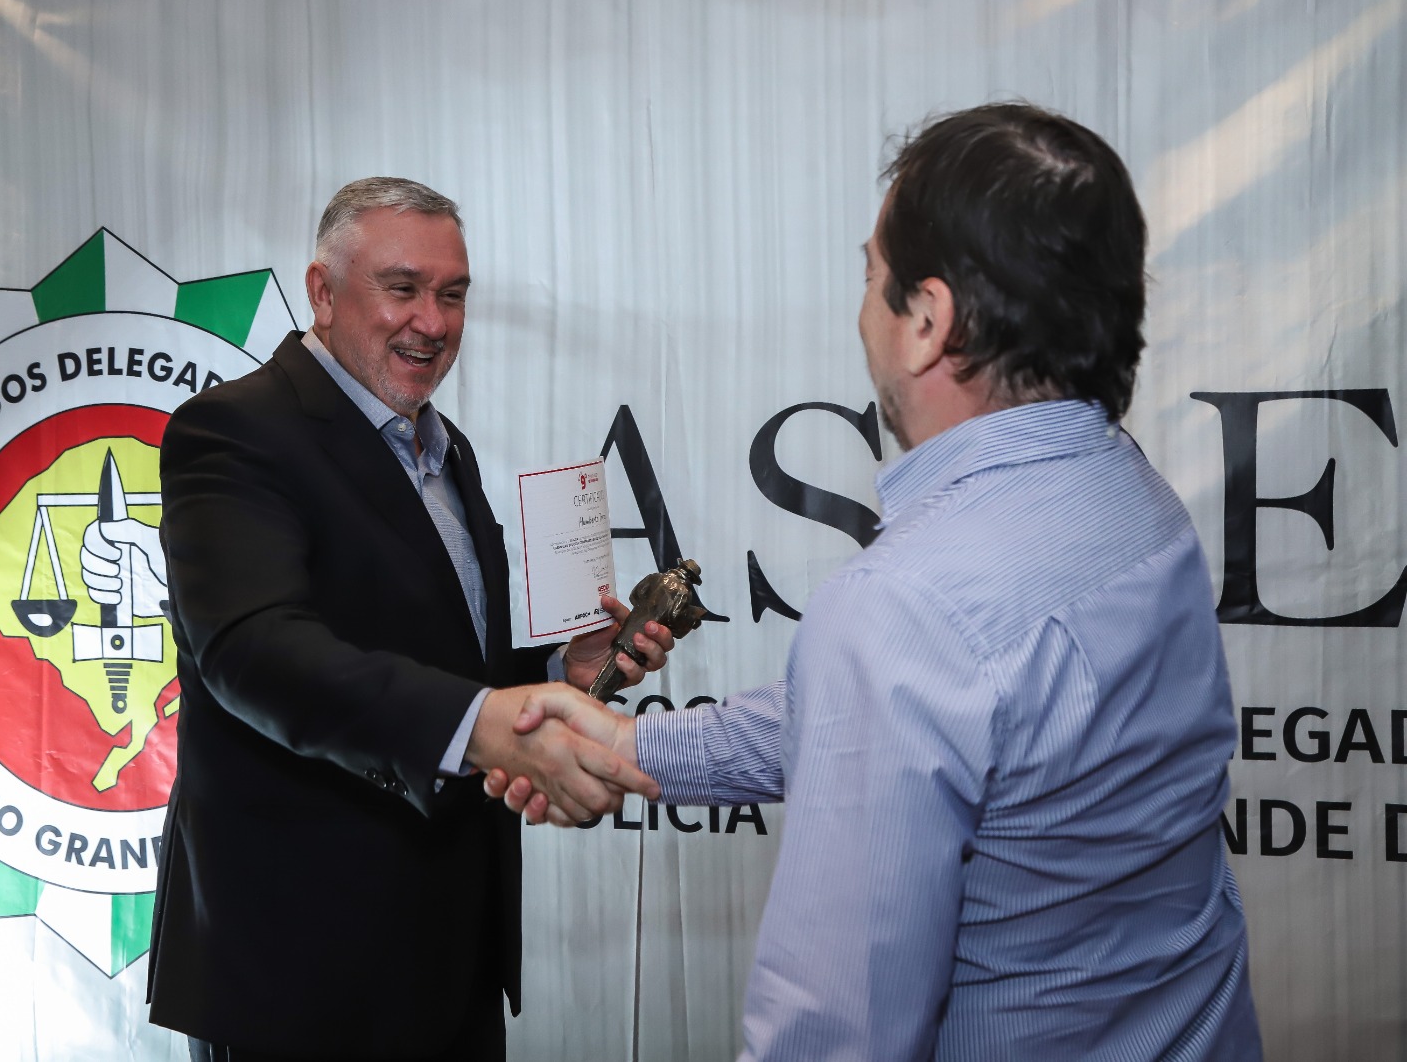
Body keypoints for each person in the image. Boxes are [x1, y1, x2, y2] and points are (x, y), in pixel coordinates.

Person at [488, 104, 1262, 1060]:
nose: (862, 311)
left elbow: (833, 1036)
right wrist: (630, 744)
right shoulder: (1133, 494)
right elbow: (904, 715)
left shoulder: (907, 605)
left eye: (870, 275)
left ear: (927, 322)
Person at [145, 177, 671, 1062]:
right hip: (300, 973)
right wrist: (486, 723)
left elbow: (443, 661)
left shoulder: (444, 445)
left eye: (452, 294)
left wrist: (557, 673)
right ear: (322, 292)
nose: (433, 322)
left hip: (449, 957)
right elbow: (252, 652)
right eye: (403, 289)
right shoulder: (233, 430)